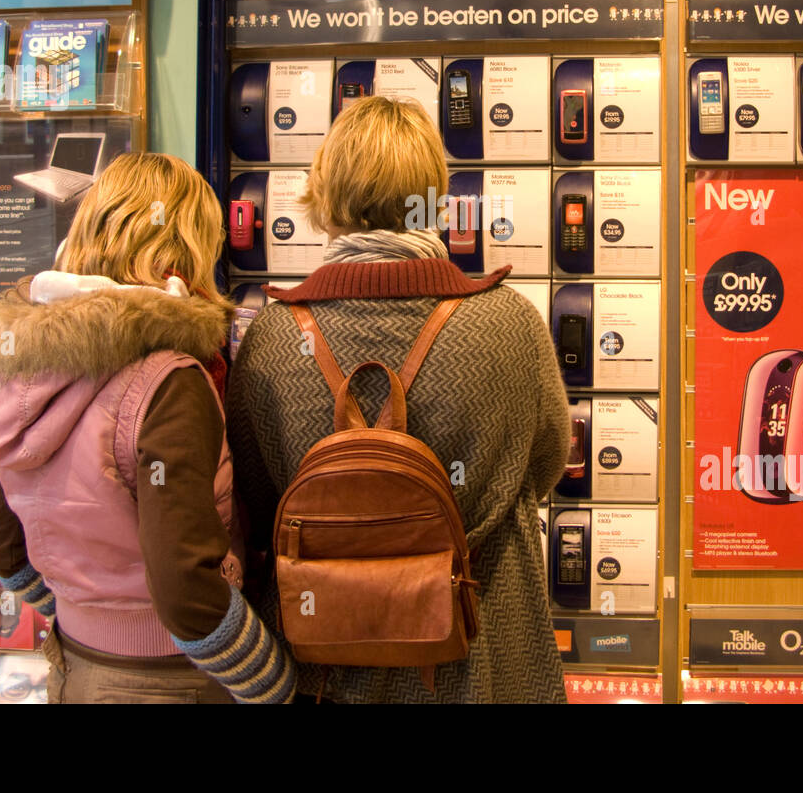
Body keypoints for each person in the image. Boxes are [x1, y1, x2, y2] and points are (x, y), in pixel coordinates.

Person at [229, 97, 569, 703]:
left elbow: (257, 496)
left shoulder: (272, 337)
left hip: (325, 658)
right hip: (479, 650)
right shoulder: (510, 323)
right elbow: (544, 467)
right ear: (433, 199)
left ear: (324, 197)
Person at [0, 152, 294, 704]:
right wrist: (271, 682)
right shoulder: (170, 380)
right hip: (173, 676)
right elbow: (186, 584)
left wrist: (82, 611)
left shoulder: (29, 370)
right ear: (189, 247)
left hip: (75, 664)